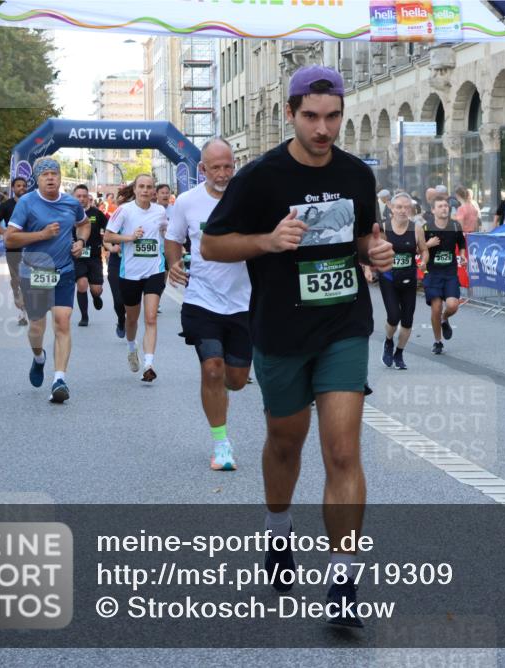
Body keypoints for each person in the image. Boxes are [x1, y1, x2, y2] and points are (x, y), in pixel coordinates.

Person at [200, 65, 394, 627]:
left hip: (343, 325)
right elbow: (212, 245)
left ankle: (341, 583)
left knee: (341, 451)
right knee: (286, 443)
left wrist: (374, 254)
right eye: (311, 116)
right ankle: (278, 531)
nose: (323, 128)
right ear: (291, 114)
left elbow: (363, 239)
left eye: (333, 116)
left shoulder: (357, 175)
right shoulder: (262, 176)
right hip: (281, 329)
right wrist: (266, 240)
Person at [166, 137, 252, 471]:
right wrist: (174, 262)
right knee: (212, 368)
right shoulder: (187, 202)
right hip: (201, 298)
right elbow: (173, 238)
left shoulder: (248, 200)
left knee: (236, 379)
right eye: (215, 167)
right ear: (202, 169)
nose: (222, 173)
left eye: (228, 166)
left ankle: (228, 392)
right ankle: (221, 444)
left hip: (244, 301)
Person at [3, 157, 90, 403]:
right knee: (37, 328)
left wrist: (81, 241)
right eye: (45, 175)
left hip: (63, 271)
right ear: (37, 180)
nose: (50, 177)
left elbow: (84, 225)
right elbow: (9, 239)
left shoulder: (71, 203)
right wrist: (41, 234)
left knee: (62, 323)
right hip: (35, 272)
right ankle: (39, 357)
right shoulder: (27, 203)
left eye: (54, 173)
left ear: (61, 178)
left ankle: (59, 379)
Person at [103, 174, 168, 383]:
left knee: (150, 317)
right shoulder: (125, 210)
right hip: (130, 272)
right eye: (142, 187)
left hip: (154, 270)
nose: (146, 191)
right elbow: (108, 236)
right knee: (132, 318)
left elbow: (164, 234)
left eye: (149, 187)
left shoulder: (160, 211)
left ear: (154, 191)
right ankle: (132, 348)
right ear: (135, 189)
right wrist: (129, 237)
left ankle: (149, 364)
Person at [378, 192, 422, 370]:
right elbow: (373, 251)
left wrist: (424, 259)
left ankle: (399, 353)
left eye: (406, 207)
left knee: (408, 320)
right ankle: (388, 341)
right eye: (399, 207)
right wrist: (367, 268)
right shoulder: (383, 228)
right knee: (393, 316)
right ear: (392, 209)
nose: (403, 211)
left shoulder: (416, 228)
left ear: (410, 209)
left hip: (409, 278)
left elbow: (424, 249)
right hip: (388, 277)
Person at [420, 195, 465, 355]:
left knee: (453, 305)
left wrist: (463, 255)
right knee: (436, 306)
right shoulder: (426, 228)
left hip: (450, 272)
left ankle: (444, 318)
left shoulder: (455, 226)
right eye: (440, 206)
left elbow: (461, 244)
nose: (444, 208)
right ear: (433, 210)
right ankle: (438, 341)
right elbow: (416, 248)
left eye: (446, 206)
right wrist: (427, 244)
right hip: (432, 273)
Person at [0, 177, 30, 326]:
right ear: (13, 188)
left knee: (26, 279)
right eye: (18, 186)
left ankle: (24, 313)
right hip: (13, 247)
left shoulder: (31, 204)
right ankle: (16, 292)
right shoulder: (6, 205)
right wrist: (4, 233)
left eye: (23, 186)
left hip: (29, 246)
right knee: (16, 279)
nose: (21, 188)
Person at [71, 184, 107, 327]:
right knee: (82, 284)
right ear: (74, 198)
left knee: (96, 289)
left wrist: (109, 245)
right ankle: (84, 316)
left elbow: (110, 229)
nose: (81, 199)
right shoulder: (69, 214)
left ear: (88, 198)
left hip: (94, 256)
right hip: (77, 256)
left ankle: (96, 296)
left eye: (84, 196)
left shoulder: (97, 213)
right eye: (78, 196)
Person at [103, 185, 133, 339]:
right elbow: (106, 239)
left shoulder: (140, 217)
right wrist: (112, 248)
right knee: (118, 299)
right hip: (116, 262)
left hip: (134, 263)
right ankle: (121, 320)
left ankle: (130, 321)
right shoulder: (116, 216)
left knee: (130, 299)